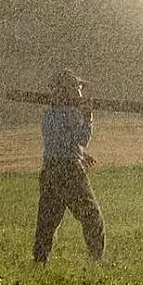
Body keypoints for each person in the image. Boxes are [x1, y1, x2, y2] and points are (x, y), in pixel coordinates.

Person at [33, 69, 106, 264]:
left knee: (47, 221)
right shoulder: (73, 114)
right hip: (69, 171)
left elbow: (60, 142)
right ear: (69, 89)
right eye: (78, 87)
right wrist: (88, 118)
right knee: (92, 216)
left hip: (50, 169)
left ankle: (40, 261)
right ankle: (96, 260)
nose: (81, 91)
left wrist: (81, 155)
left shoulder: (48, 114)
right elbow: (81, 139)